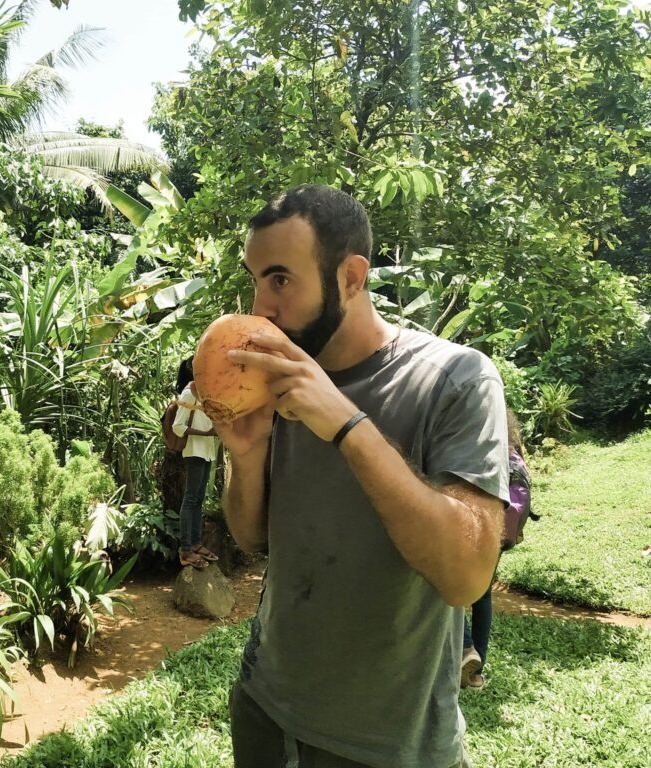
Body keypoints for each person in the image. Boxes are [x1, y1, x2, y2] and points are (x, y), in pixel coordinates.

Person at [213, 185, 509, 768]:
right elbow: (252, 539)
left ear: (350, 277)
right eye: (256, 281)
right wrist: (247, 456)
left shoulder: (456, 379)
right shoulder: (279, 377)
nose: (260, 307)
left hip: (386, 743)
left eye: (280, 279)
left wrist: (347, 424)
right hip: (265, 707)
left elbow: (466, 577)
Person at [461, 410, 531, 690]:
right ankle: (476, 673)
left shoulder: (482, 448)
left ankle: (466, 647)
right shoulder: (514, 452)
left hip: (479, 528)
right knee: (483, 594)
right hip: (501, 535)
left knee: (443, 582)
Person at [172, 357, 220, 569]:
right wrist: (206, 433)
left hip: (206, 451)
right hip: (194, 451)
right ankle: (186, 550)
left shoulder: (204, 393)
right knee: (191, 499)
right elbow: (177, 426)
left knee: (198, 498)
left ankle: (196, 543)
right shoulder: (188, 393)